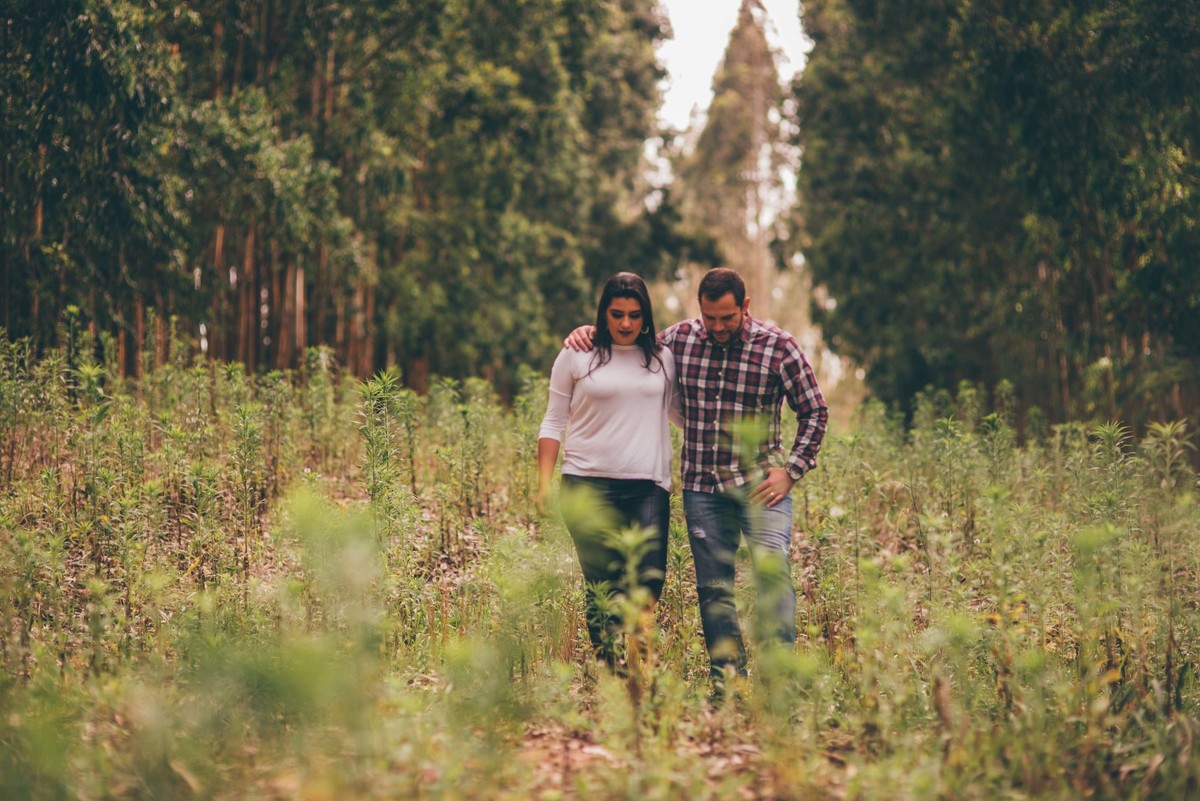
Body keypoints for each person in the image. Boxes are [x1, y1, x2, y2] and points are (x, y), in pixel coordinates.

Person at [566, 267, 827, 684]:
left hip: (764, 487)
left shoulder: (780, 347)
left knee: (772, 574)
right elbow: (628, 340)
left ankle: (783, 684)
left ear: (745, 307)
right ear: (699, 310)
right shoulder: (678, 341)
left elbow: (815, 411)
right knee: (714, 590)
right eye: (710, 318)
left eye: (727, 317)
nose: (718, 327)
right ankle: (728, 683)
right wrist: (588, 332)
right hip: (703, 489)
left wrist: (792, 471)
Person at [538, 272, 679, 670]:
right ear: (603, 314)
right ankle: (613, 668)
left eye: (634, 315)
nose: (625, 324)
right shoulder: (576, 355)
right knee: (603, 585)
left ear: (646, 316)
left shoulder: (662, 358)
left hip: (648, 487)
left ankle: (638, 661)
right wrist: (541, 485)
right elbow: (552, 422)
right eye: (616, 314)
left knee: (648, 580)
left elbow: (680, 413)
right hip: (585, 486)